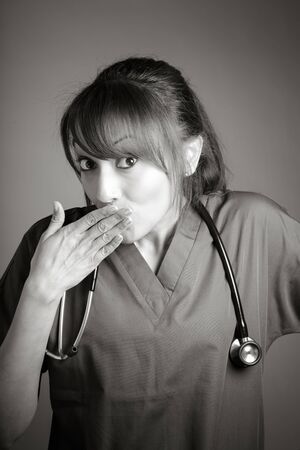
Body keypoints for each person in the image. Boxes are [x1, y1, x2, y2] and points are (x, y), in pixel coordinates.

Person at [0, 57, 299, 450]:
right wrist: (40, 293)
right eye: (88, 163)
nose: (103, 191)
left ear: (189, 155)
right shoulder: (51, 247)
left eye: (128, 161)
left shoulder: (251, 227)